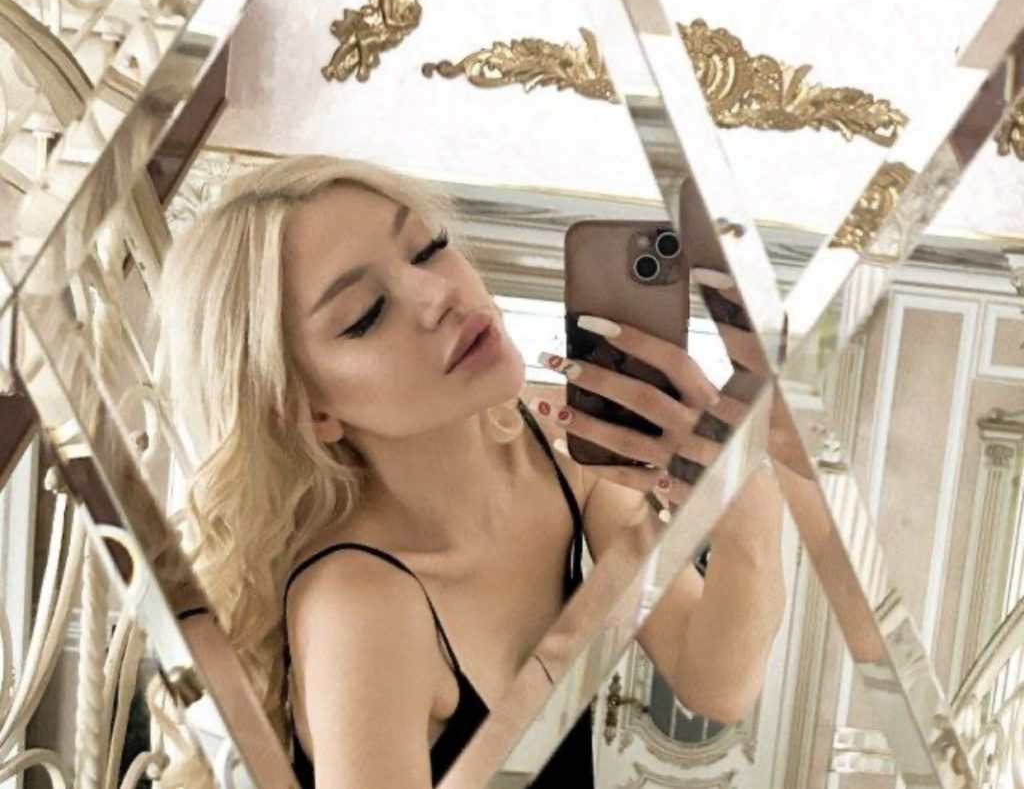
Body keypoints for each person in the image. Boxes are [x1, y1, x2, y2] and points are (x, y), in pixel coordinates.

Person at [159, 154, 787, 788]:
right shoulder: (363, 607)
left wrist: (749, 509)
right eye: (366, 313)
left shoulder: (556, 453)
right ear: (309, 411)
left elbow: (715, 684)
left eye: (428, 249)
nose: (439, 296)